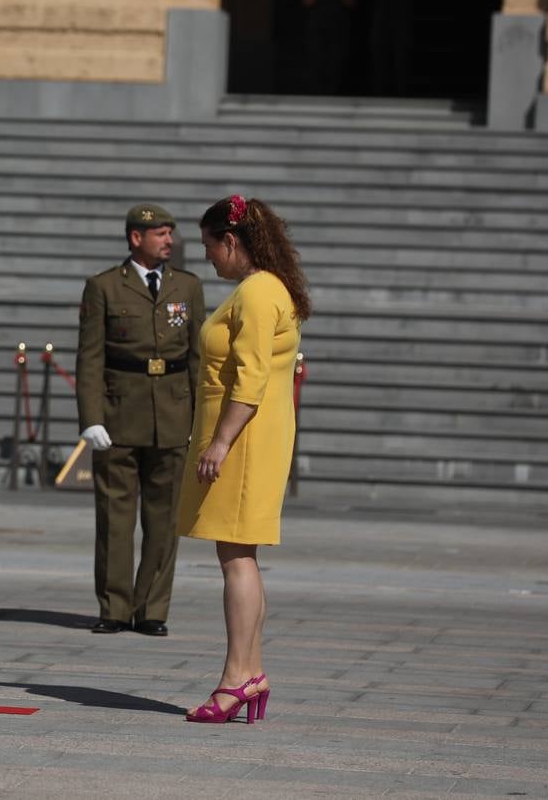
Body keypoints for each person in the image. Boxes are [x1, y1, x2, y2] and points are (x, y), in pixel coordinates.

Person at [178, 194, 310, 725]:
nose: (208, 257)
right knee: (241, 557)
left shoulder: (256, 292)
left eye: (210, 246)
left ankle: (236, 678)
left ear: (231, 241)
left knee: (235, 559)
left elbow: (249, 379)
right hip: (255, 436)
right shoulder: (272, 287)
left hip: (243, 440)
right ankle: (250, 672)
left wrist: (220, 442)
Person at [76, 203, 205, 637]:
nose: (170, 241)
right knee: (115, 517)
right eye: (160, 234)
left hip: (172, 413)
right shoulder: (104, 287)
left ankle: (151, 608)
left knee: (164, 518)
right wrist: (91, 417)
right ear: (136, 238)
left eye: (170, 233)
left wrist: (199, 417)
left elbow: (197, 357)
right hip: (119, 413)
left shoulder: (188, 286)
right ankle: (114, 607)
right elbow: (90, 357)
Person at [301, 0, 356, 94]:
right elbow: (307, 1)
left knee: (335, 73)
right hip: (316, 34)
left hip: (338, 34)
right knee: (315, 70)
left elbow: (350, 2)